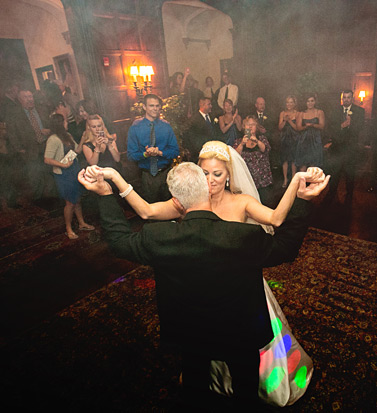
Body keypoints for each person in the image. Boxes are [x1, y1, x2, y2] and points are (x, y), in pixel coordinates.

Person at [78, 155, 328, 408]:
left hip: (190, 333)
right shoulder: (244, 236)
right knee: (245, 390)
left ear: (177, 201)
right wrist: (303, 200)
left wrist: (105, 194)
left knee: (195, 385)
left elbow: (119, 241)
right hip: (241, 333)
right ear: (207, 192)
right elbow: (286, 248)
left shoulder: (158, 236)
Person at [43, 113, 94, 239]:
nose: (67, 123)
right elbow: (47, 159)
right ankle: (68, 228)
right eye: (65, 121)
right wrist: (62, 165)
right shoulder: (53, 139)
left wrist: (82, 139)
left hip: (74, 170)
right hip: (63, 174)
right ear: (59, 124)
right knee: (70, 202)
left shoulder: (68, 135)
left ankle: (81, 223)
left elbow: (76, 151)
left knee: (77, 199)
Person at [4, 88, 55, 206]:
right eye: (26, 97)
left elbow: (52, 125)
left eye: (30, 96)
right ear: (19, 100)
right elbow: (11, 133)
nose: (29, 99)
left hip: (46, 146)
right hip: (30, 149)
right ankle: (39, 200)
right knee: (34, 175)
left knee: (50, 172)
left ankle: (53, 197)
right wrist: (19, 149)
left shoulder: (42, 109)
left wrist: (49, 131)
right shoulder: (14, 114)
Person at [126, 94, 180, 203]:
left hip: (166, 174)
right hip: (146, 177)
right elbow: (130, 155)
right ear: (144, 107)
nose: (155, 108)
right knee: (150, 210)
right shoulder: (135, 127)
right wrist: (146, 154)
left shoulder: (166, 126)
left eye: (157, 106)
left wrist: (160, 152)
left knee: (170, 208)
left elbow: (175, 151)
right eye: (151, 106)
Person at [327, 90, 365, 204]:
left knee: (350, 174)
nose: (346, 100)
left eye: (348, 97)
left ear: (352, 99)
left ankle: (349, 196)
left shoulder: (360, 111)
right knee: (334, 173)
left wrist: (351, 124)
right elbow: (330, 129)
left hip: (351, 149)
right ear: (341, 99)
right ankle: (331, 194)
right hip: (337, 148)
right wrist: (342, 125)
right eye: (344, 97)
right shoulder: (335, 111)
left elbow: (360, 129)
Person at [234, 116, 274, 205]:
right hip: (246, 181)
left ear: (256, 127)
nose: (250, 127)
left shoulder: (262, 139)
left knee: (265, 204)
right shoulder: (238, 141)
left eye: (253, 125)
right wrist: (242, 144)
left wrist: (256, 141)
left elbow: (266, 149)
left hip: (262, 181)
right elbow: (235, 156)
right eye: (248, 124)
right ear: (244, 126)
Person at [295, 94, 325, 171]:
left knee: (314, 166)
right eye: (308, 101)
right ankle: (303, 183)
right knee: (303, 165)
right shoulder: (301, 113)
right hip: (303, 141)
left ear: (315, 102)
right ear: (305, 102)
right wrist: (306, 126)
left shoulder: (319, 112)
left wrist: (313, 125)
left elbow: (322, 126)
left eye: (312, 101)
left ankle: (313, 183)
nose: (310, 103)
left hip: (315, 140)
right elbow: (298, 128)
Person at [184, 97, 216, 161]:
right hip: (200, 153)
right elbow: (191, 137)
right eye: (209, 104)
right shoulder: (194, 119)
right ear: (202, 105)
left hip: (212, 150)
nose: (211, 106)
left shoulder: (212, 116)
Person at [278, 95, 299, 188]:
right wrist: (284, 121)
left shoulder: (297, 113)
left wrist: (289, 120)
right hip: (284, 138)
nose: (289, 104)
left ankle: (293, 180)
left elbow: (297, 128)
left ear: (294, 103)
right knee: (285, 159)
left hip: (294, 138)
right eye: (287, 102)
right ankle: (285, 179)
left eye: (291, 102)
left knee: (293, 159)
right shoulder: (282, 113)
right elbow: (279, 127)